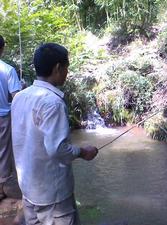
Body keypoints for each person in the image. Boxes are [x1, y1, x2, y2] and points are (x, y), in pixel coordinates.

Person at [11, 43, 98, 225]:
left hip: (28, 188)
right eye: (66, 67)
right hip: (54, 196)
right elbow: (57, 149)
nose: (67, 72)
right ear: (58, 68)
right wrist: (83, 152)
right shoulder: (53, 102)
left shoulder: (19, 97)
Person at [0, 35, 22, 201]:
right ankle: (1, 188)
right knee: (4, 153)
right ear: (2, 48)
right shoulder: (8, 70)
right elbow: (17, 98)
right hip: (3, 117)